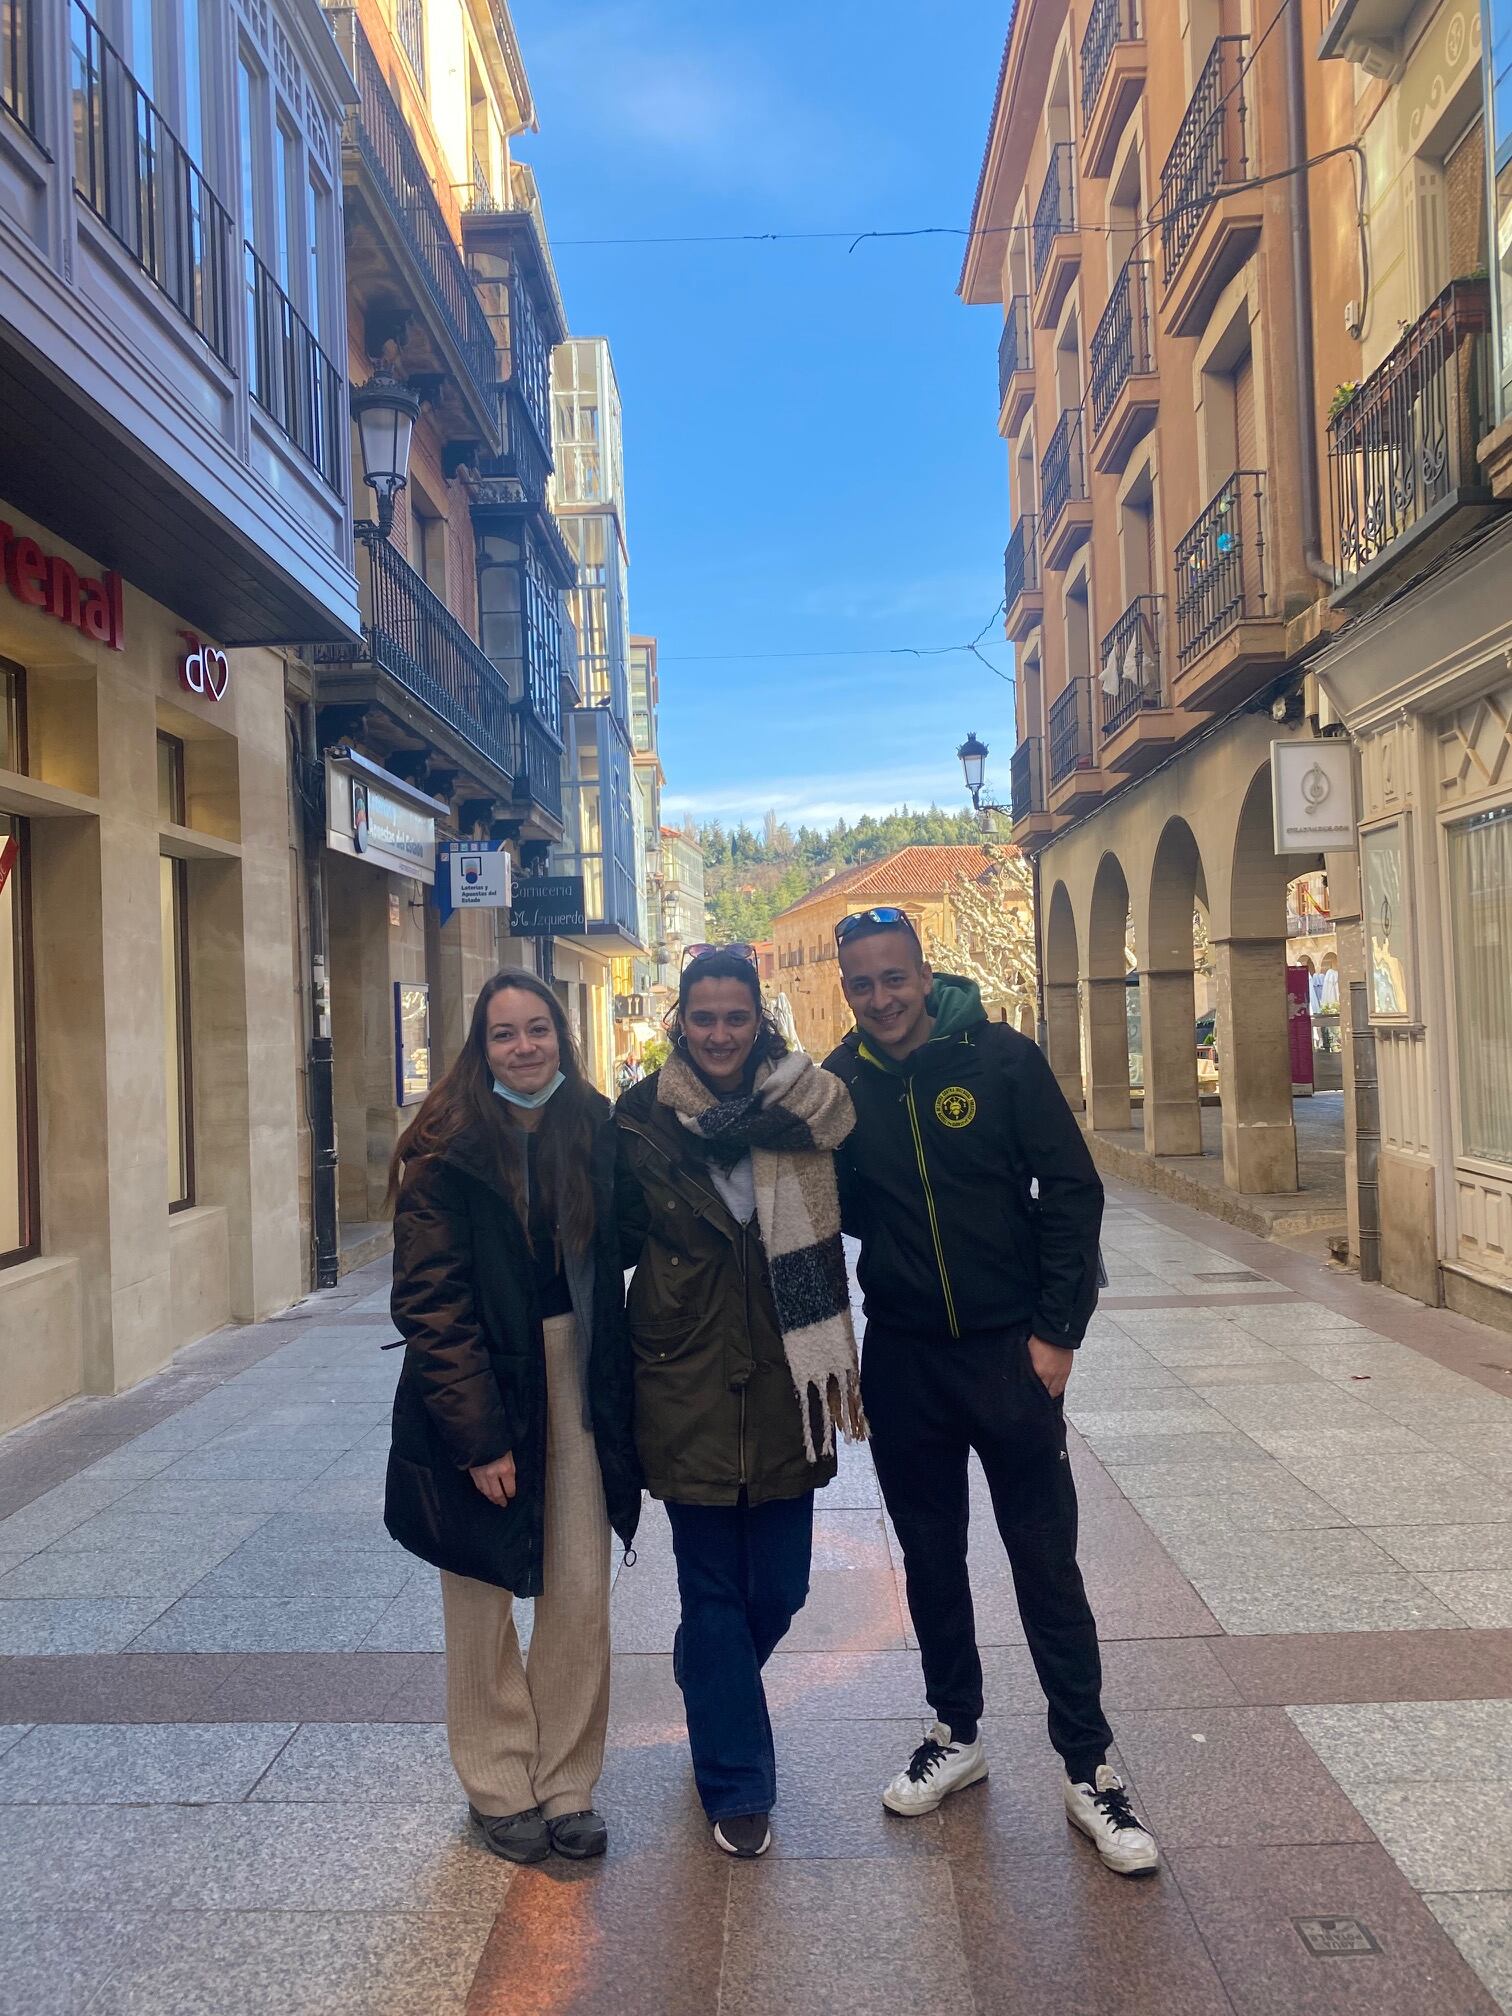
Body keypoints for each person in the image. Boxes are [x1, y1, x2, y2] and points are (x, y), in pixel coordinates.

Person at [824, 909, 1159, 1876]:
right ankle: (954, 1730)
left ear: (925, 974)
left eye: (894, 978)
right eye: (862, 985)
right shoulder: (841, 1087)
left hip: (1012, 1354)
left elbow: (1073, 1190)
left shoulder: (1002, 1060)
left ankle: (1090, 1767)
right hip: (905, 1362)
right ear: (848, 991)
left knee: (1045, 1561)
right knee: (930, 1557)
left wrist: (1057, 1335)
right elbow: (823, 1203)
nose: (880, 999)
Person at [385, 971, 641, 1866]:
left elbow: (638, 1239)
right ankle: (498, 1782)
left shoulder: (598, 1127)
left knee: (579, 1585)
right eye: (505, 1034)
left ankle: (568, 1781)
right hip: (479, 1382)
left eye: (539, 1030)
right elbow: (430, 1303)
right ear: (480, 1048)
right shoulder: (444, 1147)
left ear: (561, 1040)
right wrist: (478, 1436)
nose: (524, 1047)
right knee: (480, 1591)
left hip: (577, 1371)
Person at [615, 949, 865, 1860]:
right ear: (680, 1020)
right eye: (704, 1017)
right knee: (712, 1592)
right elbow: (600, 1235)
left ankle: (706, 1679)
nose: (720, 1034)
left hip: (789, 1386)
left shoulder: (809, 1107)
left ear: (759, 1020)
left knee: (783, 1588)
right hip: (682, 1382)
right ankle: (739, 1784)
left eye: (736, 1017)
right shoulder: (641, 1119)